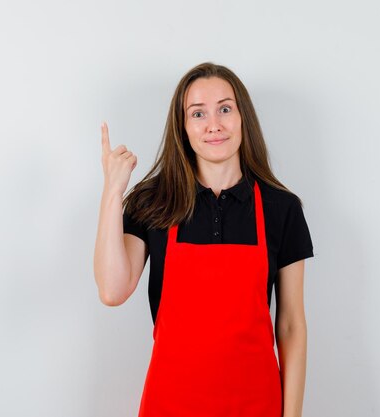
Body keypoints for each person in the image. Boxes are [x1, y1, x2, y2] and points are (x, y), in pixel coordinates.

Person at [94, 62, 314, 417]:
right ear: (183, 127)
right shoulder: (154, 201)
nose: (214, 125)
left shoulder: (281, 208)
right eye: (198, 113)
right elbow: (112, 290)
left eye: (225, 109)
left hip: (257, 405)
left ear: (243, 118)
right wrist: (112, 191)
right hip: (170, 404)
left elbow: (291, 324)